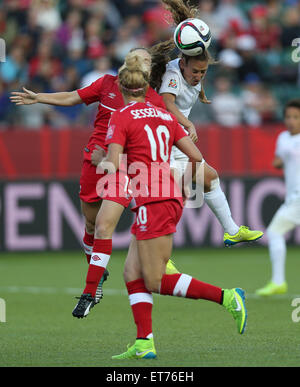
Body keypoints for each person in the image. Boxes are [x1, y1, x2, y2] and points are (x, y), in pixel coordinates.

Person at [96, 52, 247, 359]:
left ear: (123, 89)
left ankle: (228, 297)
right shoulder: (165, 115)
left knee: (154, 279)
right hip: (165, 195)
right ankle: (144, 341)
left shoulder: (121, 116)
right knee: (131, 271)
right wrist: (170, 179)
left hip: (153, 200)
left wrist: (103, 162)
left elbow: (112, 166)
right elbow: (194, 158)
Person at [10, 44, 179, 306]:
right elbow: (72, 97)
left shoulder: (154, 101)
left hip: (121, 167)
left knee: (103, 225)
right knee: (90, 225)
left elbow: (164, 136)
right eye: (137, 57)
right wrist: (39, 97)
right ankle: (97, 273)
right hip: (94, 160)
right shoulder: (107, 84)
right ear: (127, 62)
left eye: (146, 59)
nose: (140, 61)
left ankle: (89, 292)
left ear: (150, 68)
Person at [160, 0, 263, 246]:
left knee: (209, 178)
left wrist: (201, 92)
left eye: (203, 72)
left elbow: (193, 86)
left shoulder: (192, 72)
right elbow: (167, 105)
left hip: (178, 139)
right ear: (183, 62)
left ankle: (231, 230)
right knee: (172, 197)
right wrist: (189, 124)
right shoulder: (173, 74)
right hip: (164, 140)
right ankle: (159, 254)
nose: (198, 76)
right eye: (195, 72)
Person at [256, 99, 300, 296]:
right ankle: (278, 282)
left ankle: (278, 281)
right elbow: (279, 160)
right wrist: (279, 162)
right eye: (288, 116)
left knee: (274, 232)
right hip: (293, 197)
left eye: (296, 117)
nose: (291, 121)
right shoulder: (283, 137)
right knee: (275, 232)